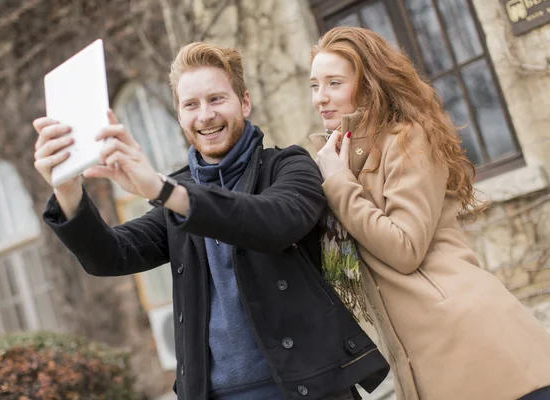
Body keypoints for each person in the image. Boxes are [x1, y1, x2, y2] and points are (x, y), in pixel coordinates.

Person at [33, 42, 389, 400]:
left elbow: (275, 222)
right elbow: (111, 254)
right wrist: (66, 186)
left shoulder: (287, 166)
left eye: (216, 99)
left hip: (308, 389)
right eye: (191, 104)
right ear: (180, 115)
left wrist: (162, 189)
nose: (205, 115)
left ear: (244, 102)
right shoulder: (177, 192)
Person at [309, 26, 550, 400]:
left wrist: (338, 183)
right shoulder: (340, 160)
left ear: (368, 85)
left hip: (474, 343)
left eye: (334, 83)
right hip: (424, 361)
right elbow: (344, 271)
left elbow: (405, 249)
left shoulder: (406, 140)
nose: (320, 98)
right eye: (314, 85)